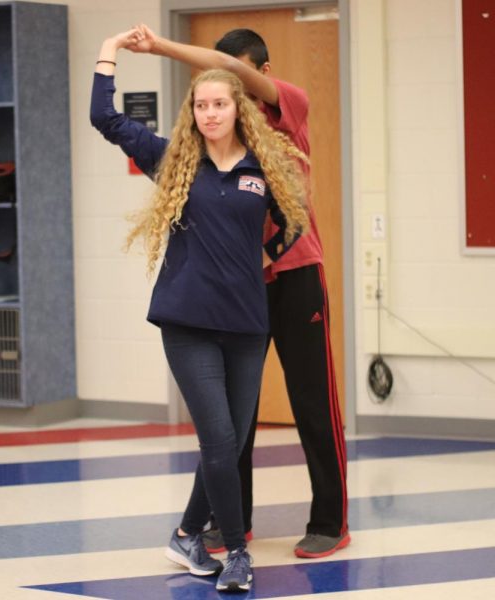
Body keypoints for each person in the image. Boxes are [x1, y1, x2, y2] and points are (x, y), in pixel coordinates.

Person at [91, 29, 310, 593]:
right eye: (202, 105)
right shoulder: (172, 159)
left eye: (220, 104)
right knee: (218, 441)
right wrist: (109, 53)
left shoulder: (263, 165)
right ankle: (235, 552)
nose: (210, 113)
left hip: (244, 323)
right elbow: (105, 119)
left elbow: (290, 225)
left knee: (233, 440)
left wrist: (254, 259)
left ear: (239, 109)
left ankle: (187, 532)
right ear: (193, 112)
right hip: (187, 323)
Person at [127, 25, 351, 559]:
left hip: (296, 278)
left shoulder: (288, 106)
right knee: (231, 416)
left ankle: (331, 520)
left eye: (237, 85)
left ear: (261, 77)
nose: (229, 104)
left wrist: (159, 47)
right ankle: (235, 520)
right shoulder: (216, 139)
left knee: (312, 401)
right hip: (237, 289)